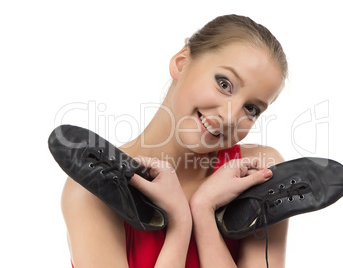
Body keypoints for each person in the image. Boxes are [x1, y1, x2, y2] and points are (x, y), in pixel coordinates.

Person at [61, 14, 289, 268]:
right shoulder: (92, 189)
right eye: (224, 84)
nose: (229, 117)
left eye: (251, 109)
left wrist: (203, 211)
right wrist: (181, 223)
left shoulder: (258, 173)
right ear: (181, 63)